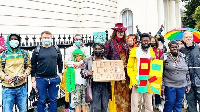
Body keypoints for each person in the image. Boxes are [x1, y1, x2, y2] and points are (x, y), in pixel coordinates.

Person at [31, 31, 63, 112]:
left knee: (53, 100)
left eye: (48, 38)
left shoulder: (56, 49)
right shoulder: (37, 50)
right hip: (41, 79)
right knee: (41, 100)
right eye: (44, 38)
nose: (46, 39)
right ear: (41, 39)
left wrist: (60, 73)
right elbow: (33, 65)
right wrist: (33, 80)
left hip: (54, 79)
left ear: (51, 38)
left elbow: (60, 62)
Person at [0, 33, 31, 112]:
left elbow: (29, 66)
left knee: (23, 110)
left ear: (19, 41)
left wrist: (25, 75)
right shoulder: (2, 55)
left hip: (22, 88)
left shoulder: (24, 54)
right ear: (8, 41)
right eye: (12, 39)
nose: (14, 41)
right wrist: (5, 77)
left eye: (16, 39)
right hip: (7, 89)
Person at [104, 23, 131, 112]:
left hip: (126, 74)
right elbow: (105, 57)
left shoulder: (126, 44)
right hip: (115, 74)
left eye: (122, 32)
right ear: (115, 32)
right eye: (119, 31)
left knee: (126, 95)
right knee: (115, 95)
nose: (120, 33)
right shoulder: (109, 43)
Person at [127, 33, 155, 112]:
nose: (146, 42)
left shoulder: (151, 51)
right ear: (140, 41)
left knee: (149, 105)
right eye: (144, 41)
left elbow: (155, 67)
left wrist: (153, 60)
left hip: (148, 81)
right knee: (135, 105)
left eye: (147, 41)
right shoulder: (135, 51)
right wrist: (133, 80)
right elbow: (129, 67)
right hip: (137, 80)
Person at [161, 41, 191, 112]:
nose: (175, 48)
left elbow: (187, 71)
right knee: (170, 103)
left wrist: (188, 84)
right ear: (169, 48)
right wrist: (162, 85)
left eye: (176, 47)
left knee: (179, 104)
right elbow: (160, 72)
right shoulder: (165, 56)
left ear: (178, 47)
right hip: (169, 85)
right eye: (172, 47)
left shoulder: (183, 56)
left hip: (182, 85)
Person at [64, 34, 90, 112]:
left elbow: (88, 59)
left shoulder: (85, 49)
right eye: (76, 39)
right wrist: (75, 64)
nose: (78, 41)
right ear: (73, 40)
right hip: (74, 77)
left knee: (84, 101)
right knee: (76, 101)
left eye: (80, 39)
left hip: (84, 80)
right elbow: (66, 61)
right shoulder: (70, 49)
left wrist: (81, 63)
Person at [81, 43, 110, 112]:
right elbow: (82, 72)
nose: (97, 50)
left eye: (99, 49)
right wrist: (88, 72)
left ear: (102, 50)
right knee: (95, 108)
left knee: (104, 106)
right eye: (96, 49)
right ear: (93, 50)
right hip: (93, 85)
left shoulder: (106, 61)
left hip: (104, 86)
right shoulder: (88, 60)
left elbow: (111, 72)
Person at [179, 31, 200, 112]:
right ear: (183, 39)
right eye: (186, 37)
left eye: (190, 37)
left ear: (193, 38)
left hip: (199, 80)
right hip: (188, 83)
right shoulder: (181, 51)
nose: (188, 39)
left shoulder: (198, 48)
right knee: (191, 104)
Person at [150, 36, 163, 111]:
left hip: (156, 69)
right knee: (149, 89)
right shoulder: (147, 50)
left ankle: (158, 103)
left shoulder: (158, 50)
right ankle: (150, 104)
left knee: (156, 88)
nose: (152, 42)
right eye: (151, 41)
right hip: (148, 70)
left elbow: (161, 60)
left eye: (153, 41)